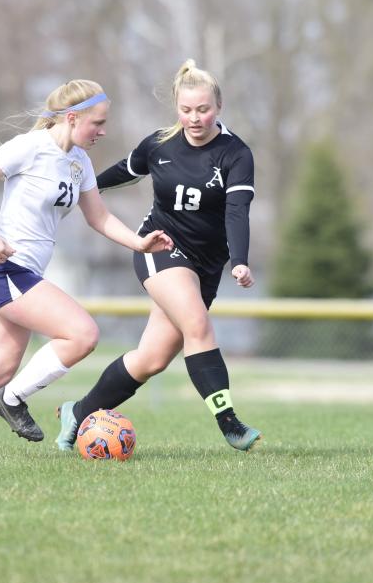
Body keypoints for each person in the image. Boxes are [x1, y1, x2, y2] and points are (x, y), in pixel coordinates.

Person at [0, 80, 173, 457]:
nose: (103, 130)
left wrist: (139, 242)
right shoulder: (31, 147)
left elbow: (99, 217)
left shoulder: (79, 161)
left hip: (25, 274)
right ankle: (11, 399)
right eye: (97, 122)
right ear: (73, 117)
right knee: (82, 334)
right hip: (7, 269)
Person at [54, 59, 262, 452]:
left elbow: (237, 211)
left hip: (206, 265)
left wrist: (239, 258)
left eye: (203, 109)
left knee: (150, 360)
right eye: (186, 110)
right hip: (159, 247)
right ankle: (229, 422)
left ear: (218, 106)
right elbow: (124, 171)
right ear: (176, 108)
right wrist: (83, 186)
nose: (194, 118)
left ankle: (77, 412)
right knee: (197, 326)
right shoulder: (159, 144)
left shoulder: (235, 154)